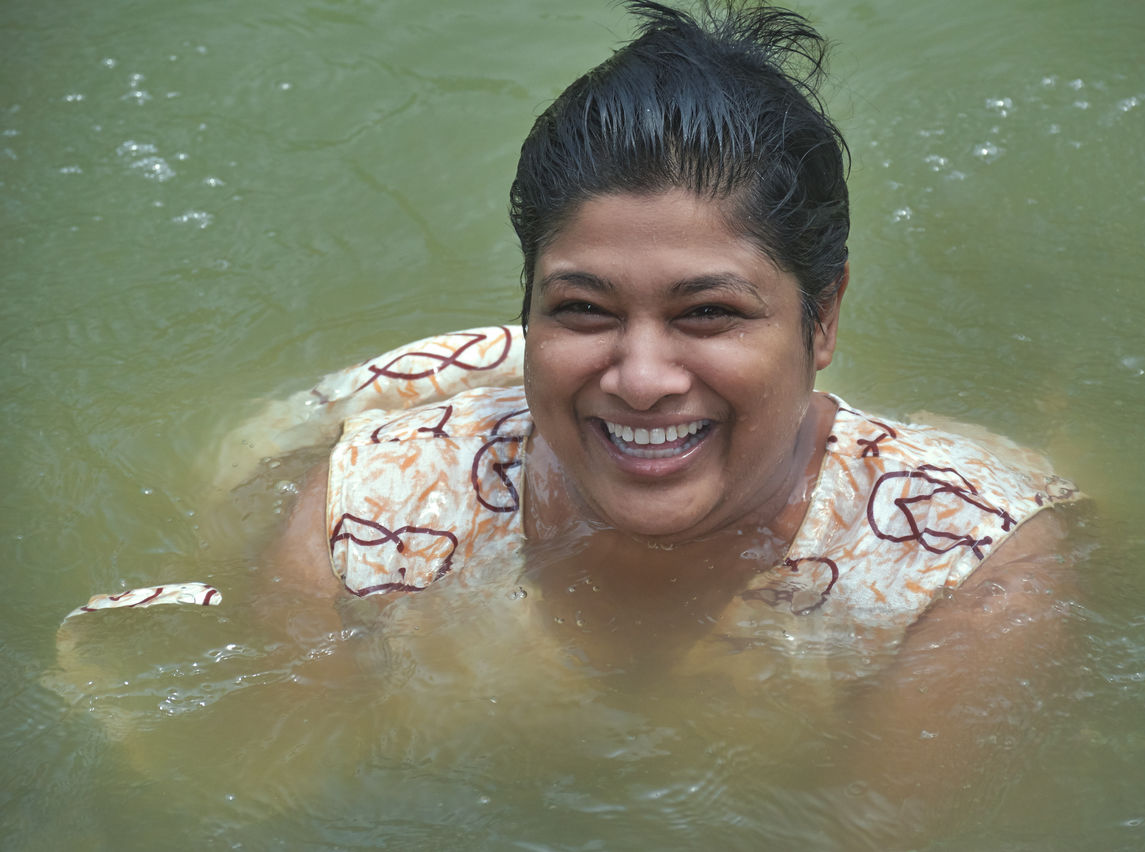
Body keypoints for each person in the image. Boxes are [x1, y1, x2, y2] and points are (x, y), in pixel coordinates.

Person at [70, 0, 1080, 686]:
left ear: (823, 316)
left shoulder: (961, 568)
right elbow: (273, 792)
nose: (639, 377)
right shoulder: (367, 516)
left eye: (708, 312)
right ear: (528, 310)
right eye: (583, 309)